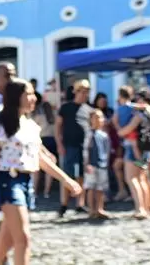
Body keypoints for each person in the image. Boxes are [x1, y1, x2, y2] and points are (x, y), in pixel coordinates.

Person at [0, 79, 82, 265]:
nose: (33, 98)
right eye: (28, 94)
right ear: (16, 97)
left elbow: (41, 159)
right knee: (23, 239)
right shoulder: (1, 122)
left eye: (33, 94)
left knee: (4, 243)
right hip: (8, 181)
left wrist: (66, 179)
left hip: (25, 181)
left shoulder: (30, 125)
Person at [55, 80, 92, 217]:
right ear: (76, 92)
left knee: (81, 175)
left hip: (84, 147)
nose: (85, 95)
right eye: (82, 92)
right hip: (69, 145)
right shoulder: (66, 108)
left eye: (87, 92)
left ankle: (80, 203)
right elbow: (58, 127)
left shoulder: (88, 109)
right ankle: (64, 204)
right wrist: (59, 144)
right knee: (67, 175)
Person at [117, 91, 150, 219]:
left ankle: (140, 208)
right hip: (146, 150)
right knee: (142, 179)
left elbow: (124, 132)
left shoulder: (138, 116)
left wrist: (117, 127)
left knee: (132, 178)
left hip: (134, 149)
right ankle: (148, 206)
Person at [83, 110, 111, 219]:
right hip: (92, 164)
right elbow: (86, 149)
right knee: (91, 187)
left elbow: (107, 150)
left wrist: (106, 162)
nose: (98, 120)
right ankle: (91, 209)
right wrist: (87, 163)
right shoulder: (90, 134)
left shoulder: (104, 135)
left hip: (102, 164)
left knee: (101, 188)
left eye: (100, 117)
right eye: (95, 118)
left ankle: (100, 208)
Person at [30, 90, 56, 199]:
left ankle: (35, 190)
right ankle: (46, 191)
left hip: (40, 140)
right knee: (49, 166)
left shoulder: (33, 113)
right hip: (50, 138)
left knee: (37, 167)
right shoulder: (49, 111)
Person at [111, 85, 133, 202]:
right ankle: (125, 190)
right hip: (132, 142)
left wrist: (120, 130)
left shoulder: (119, 109)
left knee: (122, 168)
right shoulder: (134, 108)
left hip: (125, 143)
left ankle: (125, 190)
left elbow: (114, 122)